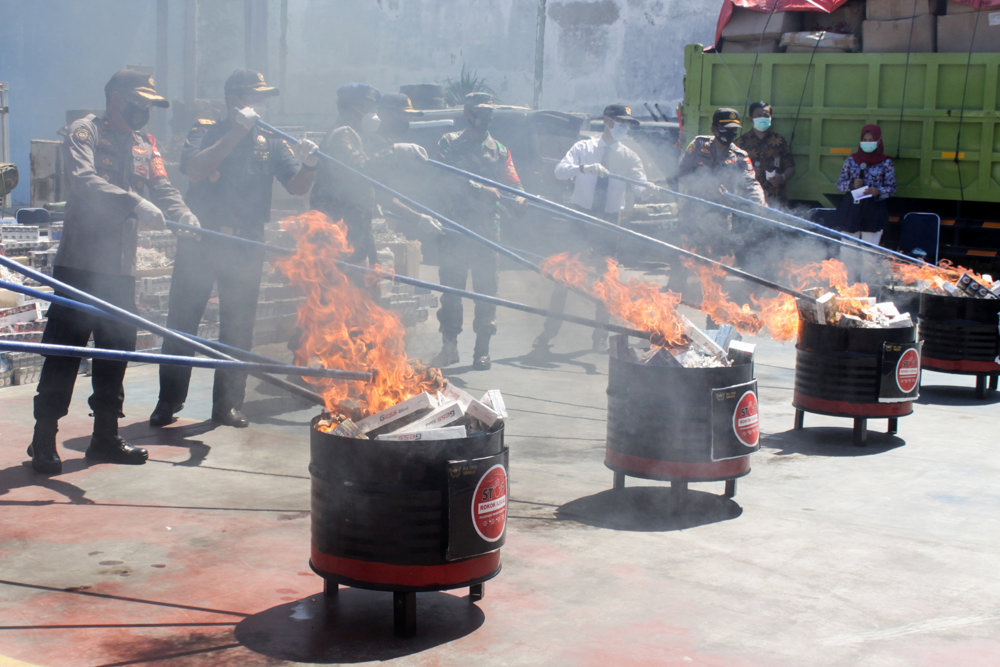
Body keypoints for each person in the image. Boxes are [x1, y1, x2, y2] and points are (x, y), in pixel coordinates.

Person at [27, 69, 198, 474]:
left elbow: (163, 186)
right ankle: (43, 437)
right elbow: (83, 180)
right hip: (80, 265)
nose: (145, 113)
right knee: (64, 352)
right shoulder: (85, 132)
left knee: (117, 351)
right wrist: (132, 203)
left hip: (121, 269)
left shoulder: (145, 145)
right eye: (140, 103)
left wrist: (184, 214)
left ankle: (105, 435)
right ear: (118, 99)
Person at [149, 69, 318, 429]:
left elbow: (297, 187)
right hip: (203, 239)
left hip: (245, 243)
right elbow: (195, 169)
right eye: (254, 98)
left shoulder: (271, 141)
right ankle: (168, 402)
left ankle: (227, 405)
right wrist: (237, 131)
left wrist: (310, 164)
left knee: (238, 327)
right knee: (183, 322)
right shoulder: (205, 130)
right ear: (234, 100)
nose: (261, 106)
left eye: (263, 99)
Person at [533, 103, 648, 353]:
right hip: (581, 219)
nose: (624, 128)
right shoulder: (583, 148)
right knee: (564, 276)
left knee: (607, 280)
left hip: (609, 222)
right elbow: (560, 171)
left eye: (627, 124)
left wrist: (645, 191)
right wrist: (584, 168)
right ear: (607, 121)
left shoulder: (628, 156)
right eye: (620, 122)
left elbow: (640, 183)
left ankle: (600, 337)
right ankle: (548, 332)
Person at [430, 92, 525, 370]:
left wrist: (520, 197)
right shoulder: (449, 142)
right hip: (455, 227)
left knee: (486, 290)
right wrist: (478, 189)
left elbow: (512, 179)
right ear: (468, 114)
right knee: (451, 289)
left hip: (487, 230)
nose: (484, 120)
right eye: (479, 114)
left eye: (488, 115)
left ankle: (482, 349)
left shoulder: (499, 148)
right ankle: (449, 347)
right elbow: (443, 176)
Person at [310, 83, 433, 270]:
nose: (373, 114)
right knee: (346, 290)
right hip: (339, 227)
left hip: (356, 226)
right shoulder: (342, 135)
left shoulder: (356, 135)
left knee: (366, 288)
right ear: (352, 108)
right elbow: (358, 169)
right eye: (368, 108)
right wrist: (394, 151)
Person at [675, 107, 765, 303]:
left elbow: (751, 183)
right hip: (691, 219)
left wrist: (759, 203)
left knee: (717, 277)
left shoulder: (740, 156)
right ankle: (668, 323)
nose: (730, 134)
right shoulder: (699, 145)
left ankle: (714, 323)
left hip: (720, 224)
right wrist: (705, 186)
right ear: (714, 129)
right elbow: (681, 174)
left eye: (734, 130)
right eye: (725, 129)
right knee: (679, 272)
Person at [834, 124, 896, 246]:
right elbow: (839, 185)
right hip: (852, 208)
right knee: (848, 250)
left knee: (868, 252)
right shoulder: (852, 160)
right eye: (865, 140)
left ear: (878, 141)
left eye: (871, 140)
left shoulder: (886, 162)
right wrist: (852, 185)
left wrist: (878, 191)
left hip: (873, 209)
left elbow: (892, 188)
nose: (868, 143)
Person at [734, 101, 795, 205]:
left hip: (776, 199)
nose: (763, 118)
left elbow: (791, 167)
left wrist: (782, 177)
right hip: (749, 199)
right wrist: (749, 174)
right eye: (759, 115)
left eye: (766, 115)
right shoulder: (740, 143)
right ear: (751, 119)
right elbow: (732, 169)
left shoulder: (779, 141)